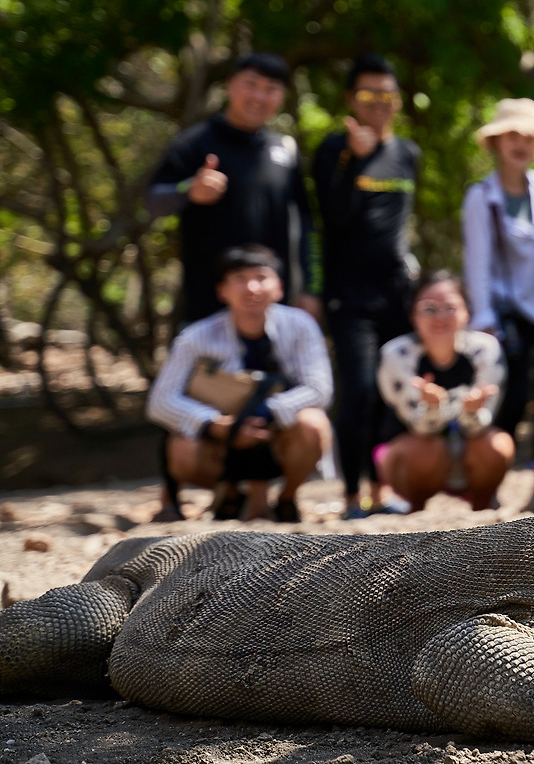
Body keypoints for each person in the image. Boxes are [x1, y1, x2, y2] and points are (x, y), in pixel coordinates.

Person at [311, 53, 422, 519]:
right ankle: (351, 495)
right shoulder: (331, 150)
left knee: (388, 390)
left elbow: (400, 223)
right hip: (348, 291)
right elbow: (332, 218)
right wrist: (355, 161)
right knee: (355, 390)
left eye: (387, 95)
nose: (378, 104)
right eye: (367, 94)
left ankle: (383, 489)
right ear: (350, 99)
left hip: (396, 291)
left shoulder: (408, 155)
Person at [146, 245, 333, 522]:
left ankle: (286, 499)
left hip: (279, 432)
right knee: (181, 447)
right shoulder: (195, 337)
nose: (251, 288)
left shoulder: (301, 326)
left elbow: (320, 389)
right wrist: (217, 425)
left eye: (260, 277)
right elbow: (160, 402)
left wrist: (265, 416)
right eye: (240, 279)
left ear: (278, 287)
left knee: (314, 423)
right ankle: (232, 492)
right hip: (220, 439)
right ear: (222, 290)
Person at [148, 52, 319, 324]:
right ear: (230, 84)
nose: (259, 97)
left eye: (271, 89)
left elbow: (305, 224)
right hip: (207, 306)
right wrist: (189, 190)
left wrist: (310, 289)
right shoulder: (195, 142)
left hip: (273, 306)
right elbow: (153, 201)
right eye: (251, 84)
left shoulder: (284, 151)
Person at [461, 98, 534, 469]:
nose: (521, 143)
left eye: (529, 136)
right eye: (512, 135)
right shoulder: (481, 197)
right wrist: (483, 316)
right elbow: (477, 261)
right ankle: (494, 463)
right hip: (510, 307)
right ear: (496, 142)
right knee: (513, 390)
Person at [375, 271, 512, 512]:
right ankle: (414, 510)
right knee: (425, 449)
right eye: (429, 308)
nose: (440, 317)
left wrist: (471, 412)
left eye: (449, 307)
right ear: (413, 315)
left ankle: (482, 506)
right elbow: (420, 428)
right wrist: (432, 408)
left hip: (471, 452)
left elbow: (481, 425)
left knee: (498, 445)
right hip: (417, 453)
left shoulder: (486, 349)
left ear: (466, 312)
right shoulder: (395, 355)